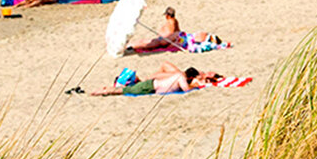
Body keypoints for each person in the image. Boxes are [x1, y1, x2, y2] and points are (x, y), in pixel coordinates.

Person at [91, 62, 220, 95]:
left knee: (126, 90)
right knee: (122, 91)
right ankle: (101, 91)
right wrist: (196, 86)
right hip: (149, 86)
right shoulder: (180, 77)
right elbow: (186, 90)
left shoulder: (179, 76)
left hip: (150, 85)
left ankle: (105, 89)